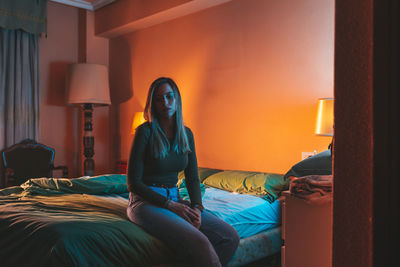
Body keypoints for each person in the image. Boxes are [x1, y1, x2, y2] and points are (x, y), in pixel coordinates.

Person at [126, 77, 239, 267]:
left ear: (176, 99)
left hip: (175, 199)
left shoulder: (186, 134)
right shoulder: (145, 132)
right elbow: (133, 183)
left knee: (230, 237)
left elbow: (193, 178)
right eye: (159, 99)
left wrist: (197, 207)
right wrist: (169, 204)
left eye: (169, 97)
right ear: (153, 103)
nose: (165, 103)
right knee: (200, 242)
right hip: (144, 203)